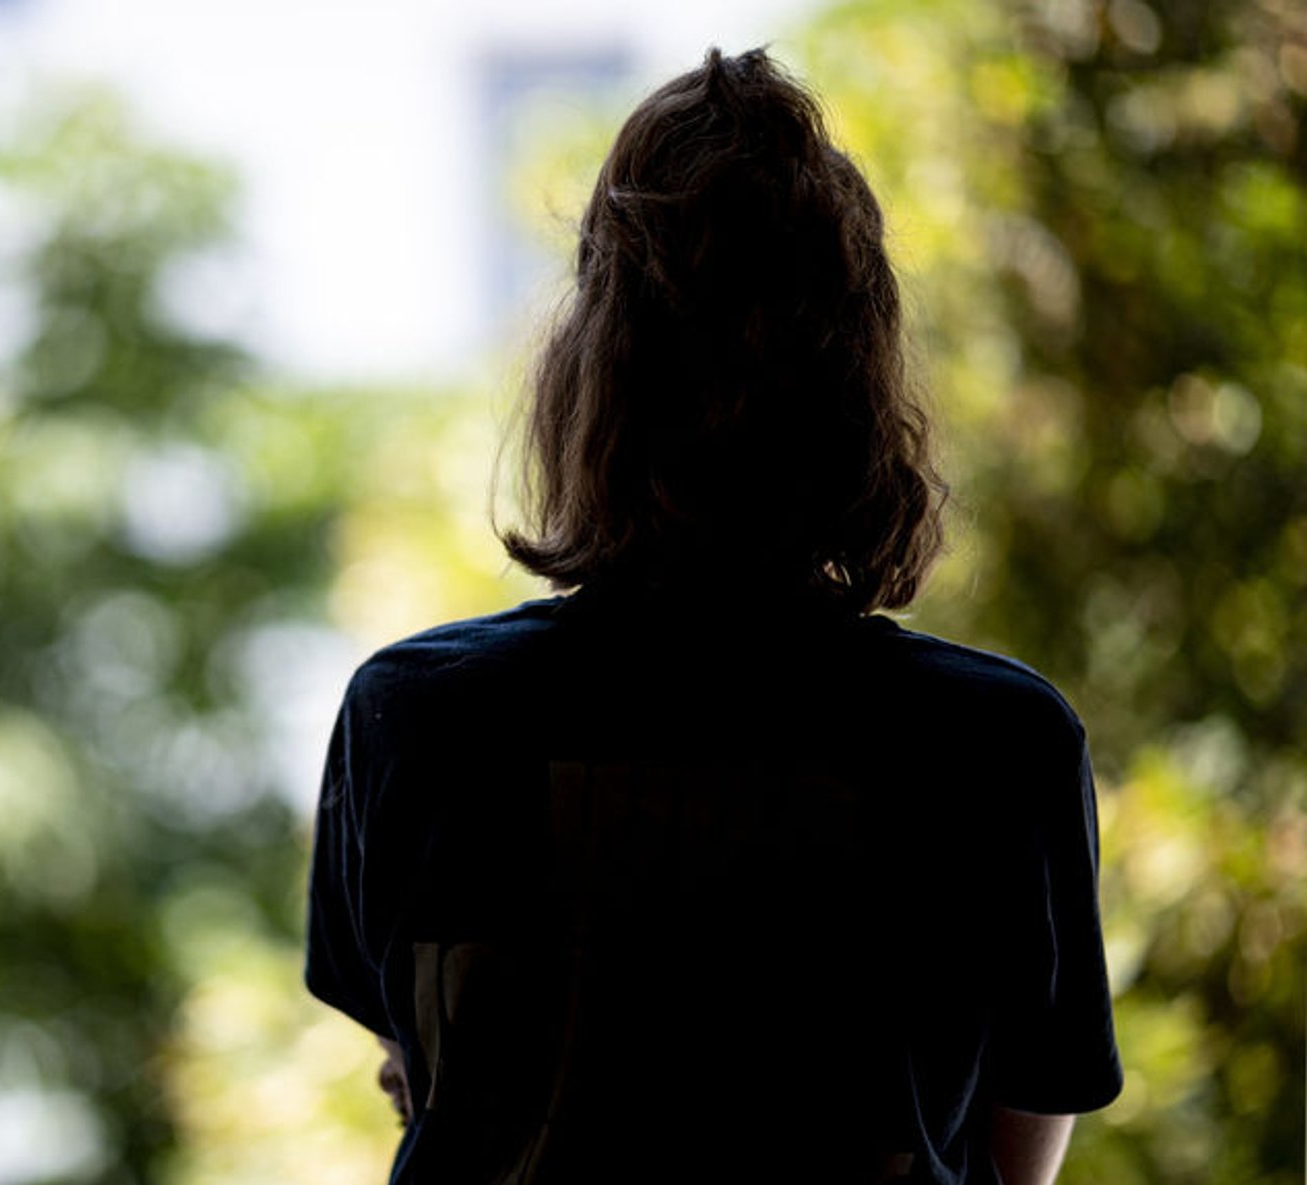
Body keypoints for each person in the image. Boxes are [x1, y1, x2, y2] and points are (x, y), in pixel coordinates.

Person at [303, 47, 1122, 1184]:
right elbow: (1010, 1148)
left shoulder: (418, 720)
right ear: (861, 380)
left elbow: (430, 1077)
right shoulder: (997, 744)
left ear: (586, 378)